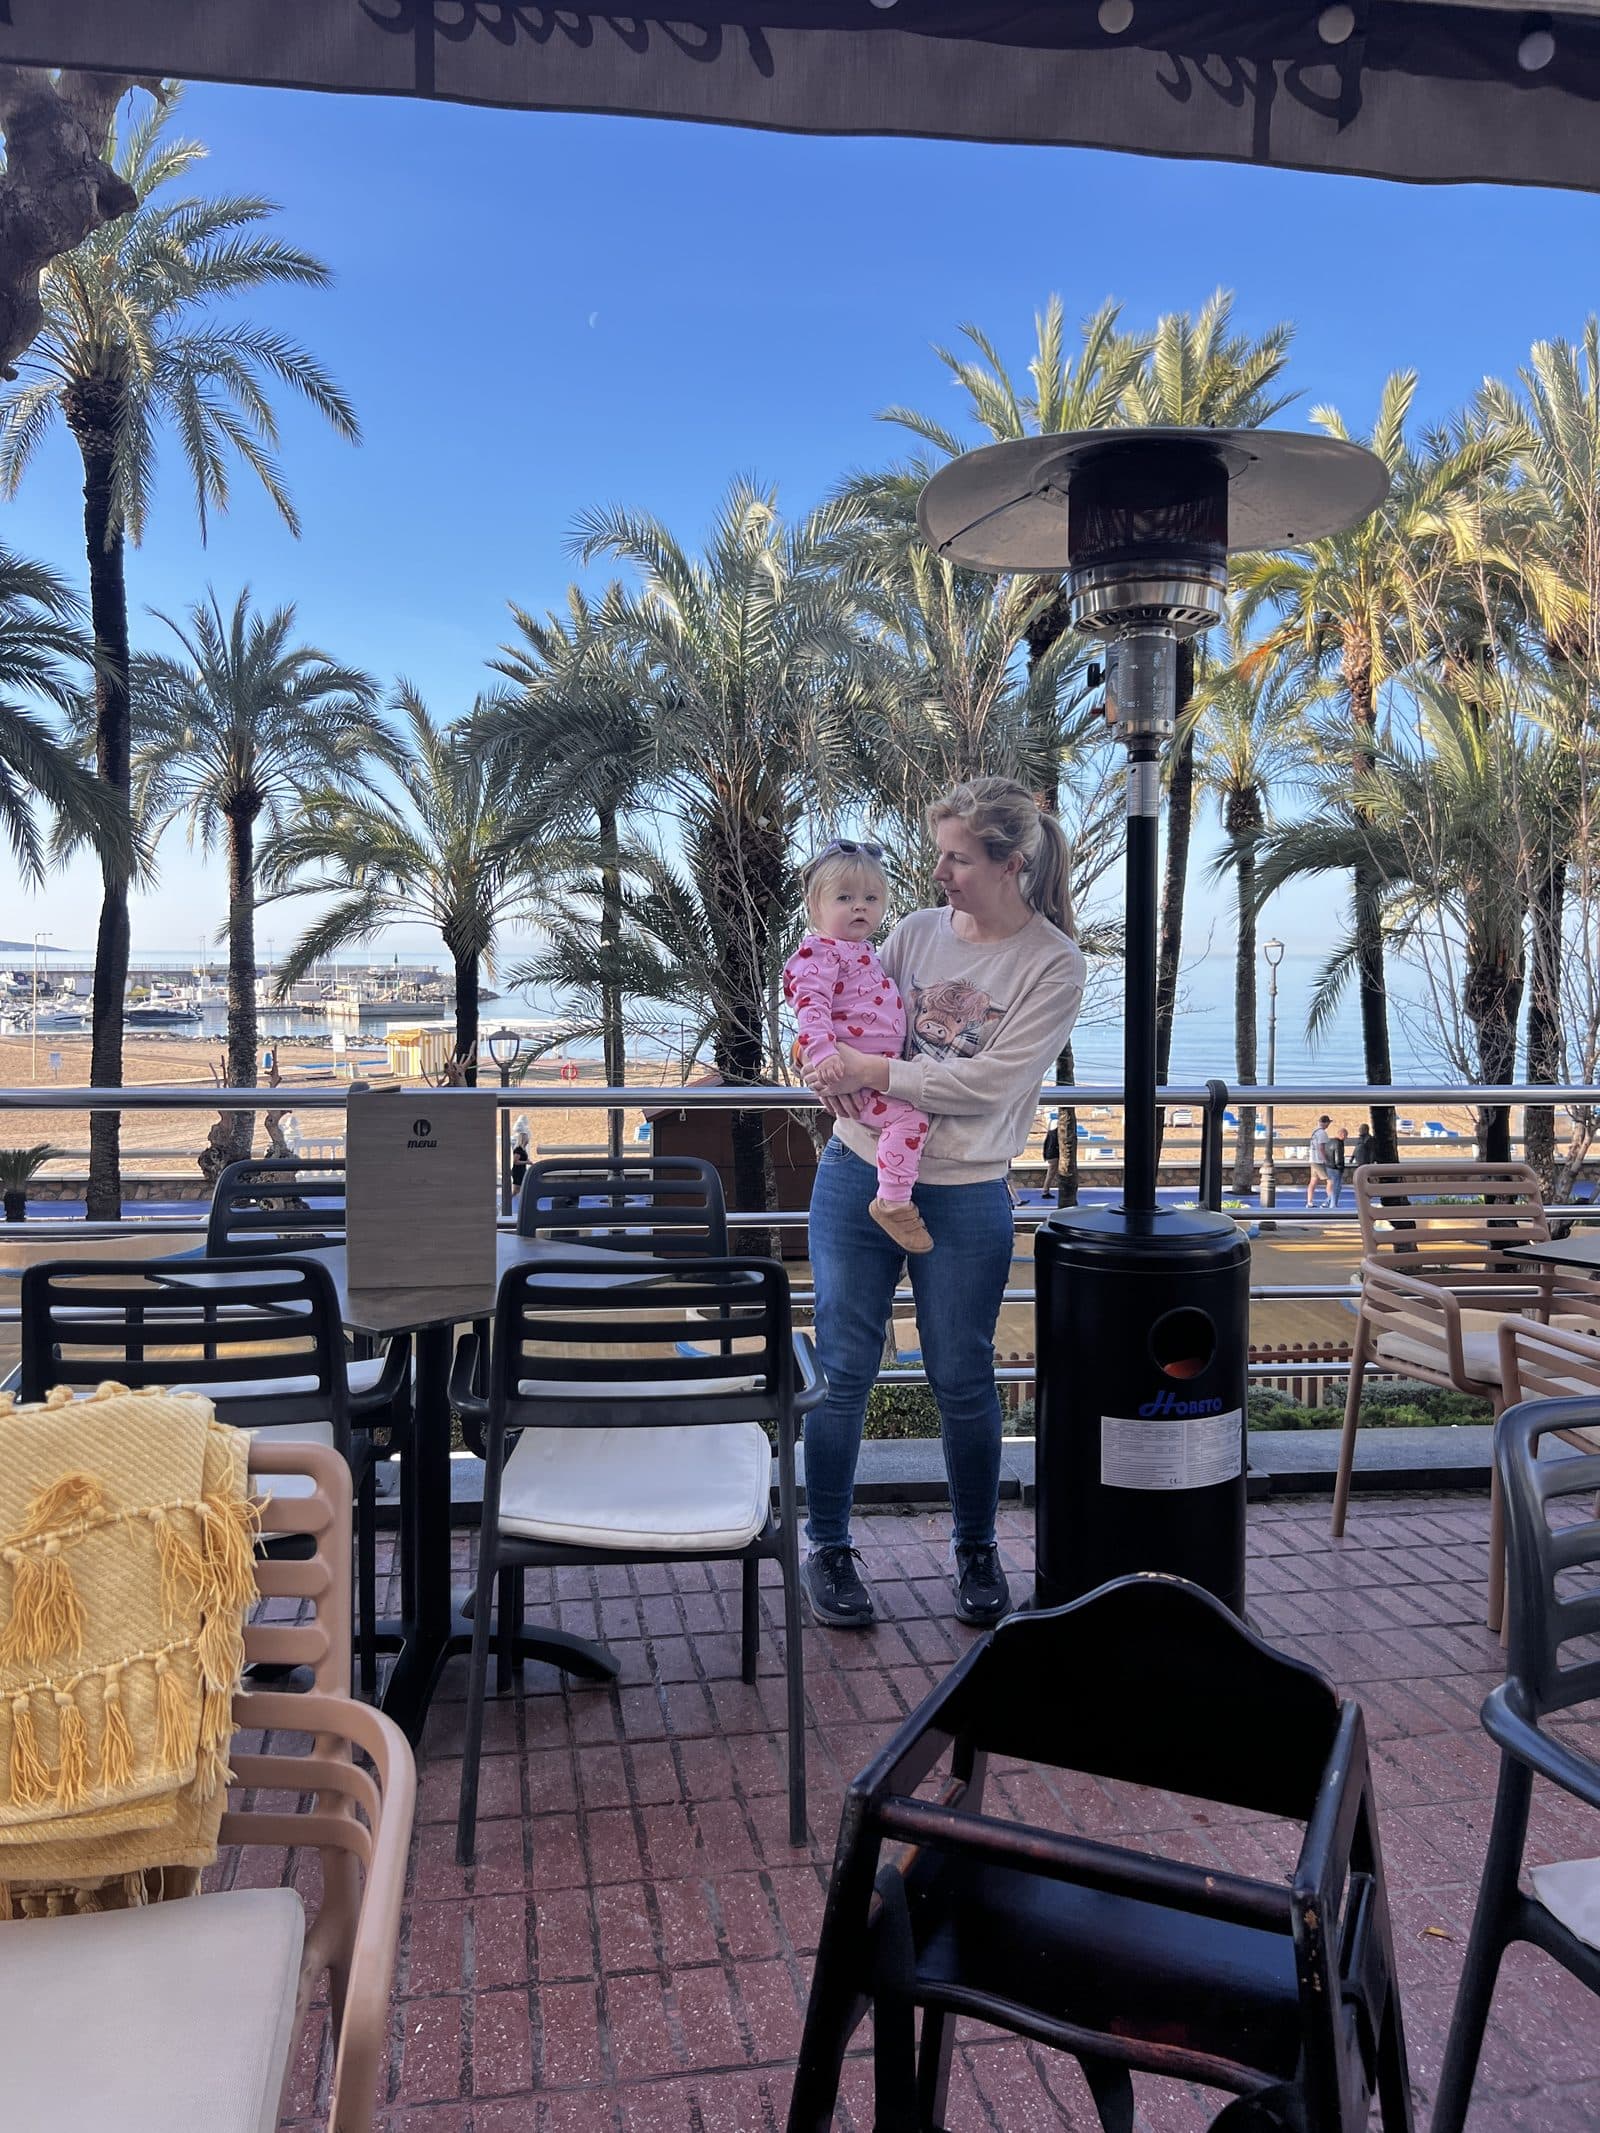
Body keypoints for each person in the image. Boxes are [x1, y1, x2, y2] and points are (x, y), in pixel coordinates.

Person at [799, 776, 1085, 1631]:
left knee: (961, 1377)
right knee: (843, 1372)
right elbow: (849, 1010)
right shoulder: (918, 933)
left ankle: (975, 1546)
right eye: (939, 855)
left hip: (963, 1194)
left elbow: (991, 1080)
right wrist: (815, 1057)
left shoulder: (1051, 963)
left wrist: (872, 1073)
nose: (940, 873)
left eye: (957, 858)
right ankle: (830, 1546)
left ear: (1012, 862)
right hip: (855, 1173)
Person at [783, 843, 933, 1254]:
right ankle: (893, 1201)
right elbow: (809, 1008)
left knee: (906, 1117)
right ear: (816, 906)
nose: (859, 908)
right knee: (909, 1118)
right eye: (845, 898)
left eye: (871, 898)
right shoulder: (819, 953)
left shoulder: (863, 951)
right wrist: (819, 1056)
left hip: (869, 1071)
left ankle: (893, 1195)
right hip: (856, 1079)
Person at [1306, 1114, 1333, 1210]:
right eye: (1328, 1123)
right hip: (1318, 1160)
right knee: (1330, 1180)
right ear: (1326, 1123)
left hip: (1313, 1159)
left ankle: (1309, 1201)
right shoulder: (1322, 1133)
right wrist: (1325, 1159)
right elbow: (1321, 1147)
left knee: (1313, 1181)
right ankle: (1329, 1200)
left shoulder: (1315, 1132)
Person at [1326, 1126, 1348, 1208]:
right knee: (1336, 1187)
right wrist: (1340, 1167)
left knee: (1332, 1185)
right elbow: (1338, 1157)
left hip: (1329, 1167)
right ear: (1342, 1135)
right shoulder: (1338, 1143)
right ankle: (1333, 1204)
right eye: (1346, 1135)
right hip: (1336, 1168)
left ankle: (1328, 1202)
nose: (1346, 1137)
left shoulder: (1329, 1142)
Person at [1042, 1116, 1061, 1197]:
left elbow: (1045, 1144)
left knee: (1052, 1173)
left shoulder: (1050, 1133)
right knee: (1051, 1174)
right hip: (1054, 1155)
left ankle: (1046, 1190)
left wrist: (1045, 1155)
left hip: (1050, 1155)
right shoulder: (1056, 1134)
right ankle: (1045, 1191)